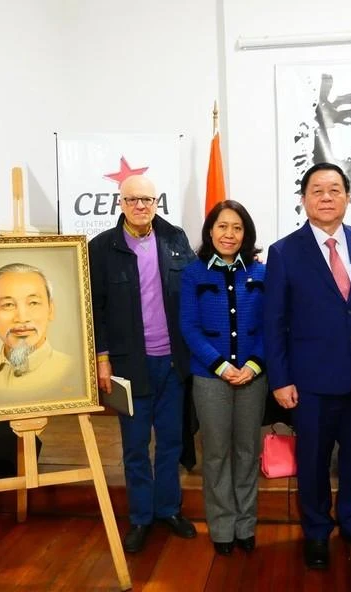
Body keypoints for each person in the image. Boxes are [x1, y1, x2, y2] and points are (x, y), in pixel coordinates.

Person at [264, 162, 351, 570]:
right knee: (314, 462)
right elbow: (274, 321)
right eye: (317, 190)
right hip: (310, 381)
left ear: (348, 197)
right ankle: (317, 531)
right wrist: (280, 379)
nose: (327, 197)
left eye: (335, 190)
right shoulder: (284, 251)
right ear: (304, 200)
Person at [88, 174, 197, 553]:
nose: (140, 206)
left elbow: (195, 289)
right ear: (120, 203)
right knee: (135, 447)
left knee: (170, 442)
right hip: (125, 368)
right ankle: (140, 518)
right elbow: (95, 310)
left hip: (173, 364)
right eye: (132, 199)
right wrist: (101, 359)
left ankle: (168, 509)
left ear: (156, 202)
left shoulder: (175, 239)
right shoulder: (102, 248)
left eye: (147, 199)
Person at [180, 200, 267, 556]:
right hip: (210, 378)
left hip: (252, 378)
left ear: (246, 234)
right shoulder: (193, 273)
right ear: (210, 231)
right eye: (222, 226)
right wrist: (220, 366)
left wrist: (254, 365)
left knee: (247, 451)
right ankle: (222, 528)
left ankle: (246, 525)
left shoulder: (261, 272)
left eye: (237, 227)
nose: (229, 234)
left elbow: (271, 325)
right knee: (216, 453)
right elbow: (189, 326)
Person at [0, 263, 75, 404]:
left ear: (51, 309)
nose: (22, 318)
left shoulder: (73, 371)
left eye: (33, 303)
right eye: (8, 305)